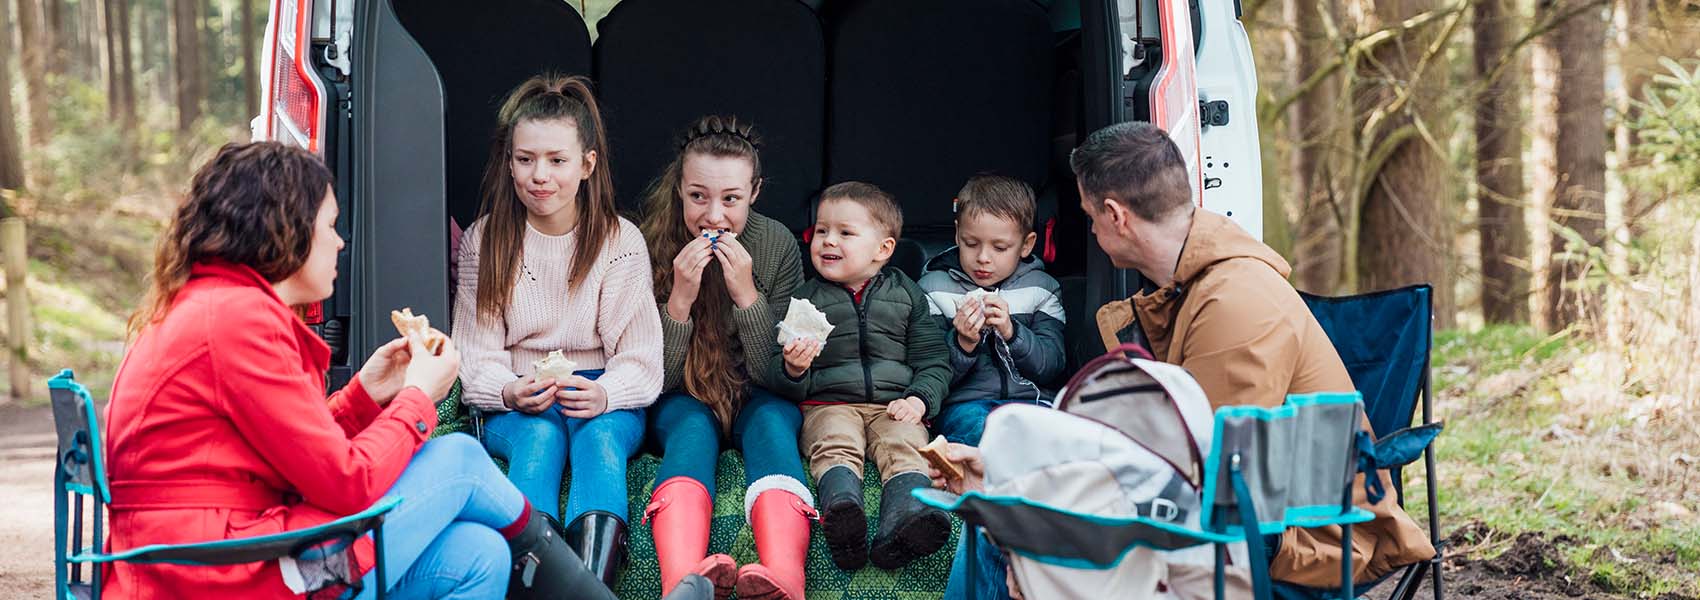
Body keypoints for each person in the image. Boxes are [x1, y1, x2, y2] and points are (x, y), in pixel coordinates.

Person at [102, 141, 716, 600]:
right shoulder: (235, 321)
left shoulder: (218, 308)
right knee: (459, 460)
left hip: (221, 547)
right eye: (329, 227)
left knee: (477, 556)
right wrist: (419, 398)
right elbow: (344, 484)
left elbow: (290, 448)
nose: (340, 242)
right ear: (282, 233)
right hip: (216, 567)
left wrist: (366, 394)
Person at [934, 122, 1435, 596]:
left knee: (1013, 527)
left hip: (1298, 535)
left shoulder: (1234, 303)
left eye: (1089, 218)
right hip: (1246, 509)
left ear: (1117, 216)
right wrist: (1002, 468)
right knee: (1008, 507)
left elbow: (1192, 481)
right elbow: (1154, 455)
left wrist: (1028, 499)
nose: (1090, 231)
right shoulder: (1193, 289)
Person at [451, 73, 663, 587]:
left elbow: (640, 355)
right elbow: (474, 350)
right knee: (541, 440)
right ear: (509, 162)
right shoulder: (487, 239)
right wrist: (506, 390)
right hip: (519, 392)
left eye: (556, 160)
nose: (538, 175)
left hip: (600, 390)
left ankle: (591, 585)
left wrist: (606, 393)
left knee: (600, 442)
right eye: (525, 160)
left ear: (587, 165)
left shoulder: (620, 240)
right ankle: (532, 583)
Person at [635, 115, 813, 599]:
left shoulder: (776, 244)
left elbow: (782, 381)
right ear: (679, 190)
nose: (714, 215)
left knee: (774, 424)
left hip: (757, 393)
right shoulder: (647, 243)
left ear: (754, 192)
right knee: (691, 431)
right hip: (683, 395)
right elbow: (655, 382)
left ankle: (785, 580)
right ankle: (682, 584)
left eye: (731, 199)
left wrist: (748, 297)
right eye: (698, 196)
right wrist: (679, 301)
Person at [770, 182, 954, 576]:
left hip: (894, 403)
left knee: (907, 442)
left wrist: (920, 400)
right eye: (821, 231)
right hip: (829, 403)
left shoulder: (907, 294)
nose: (827, 241)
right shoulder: (805, 300)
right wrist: (794, 369)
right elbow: (776, 374)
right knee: (835, 440)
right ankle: (843, 511)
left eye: (845, 233)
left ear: (883, 249)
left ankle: (903, 522)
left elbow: (934, 360)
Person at [917, 174, 1067, 447]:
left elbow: (1051, 365)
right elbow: (929, 372)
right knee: (980, 431)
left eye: (1000, 247)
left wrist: (1013, 333)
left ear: (1026, 245)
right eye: (971, 243)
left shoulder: (1042, 289)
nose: (983, 257)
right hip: (965, 404)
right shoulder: (933, 289)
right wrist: (962, 343)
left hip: (1031, 399)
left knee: (1051, 438)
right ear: (957, 235)